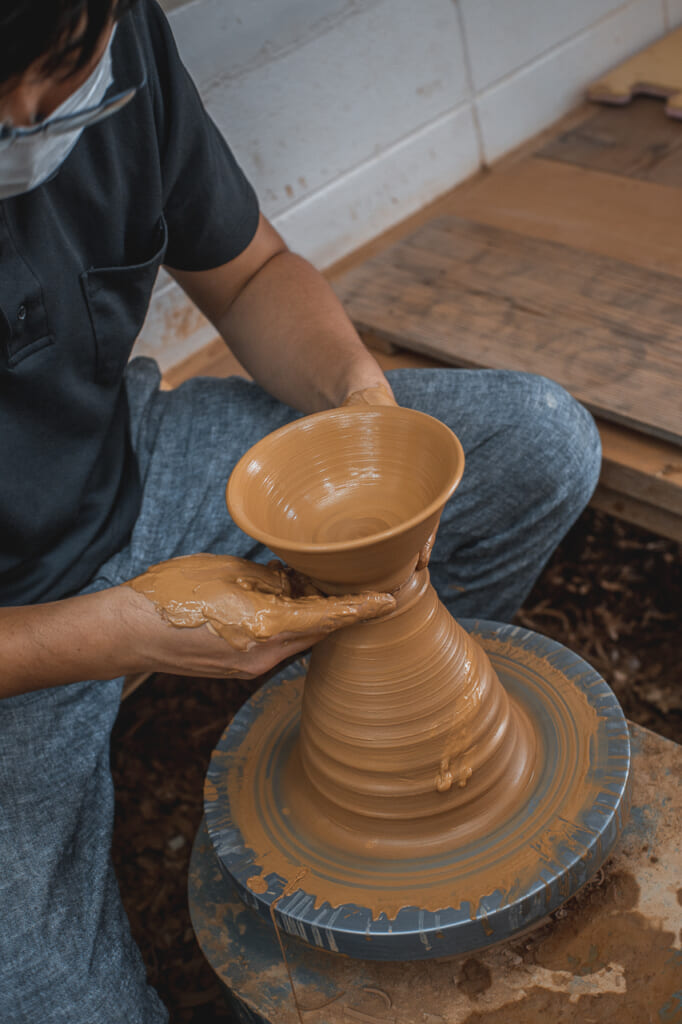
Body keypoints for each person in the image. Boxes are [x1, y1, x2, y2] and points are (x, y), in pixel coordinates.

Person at [0, 0, 601, 1020]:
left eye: (57, 71)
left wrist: (363, 406)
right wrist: (116, 631)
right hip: (18, 635)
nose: (25, 113)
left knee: (536, 440)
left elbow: (250, 273)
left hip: (135, 471)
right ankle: (328, 780)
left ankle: (344, 730)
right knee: (50, 998)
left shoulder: (112, 31)